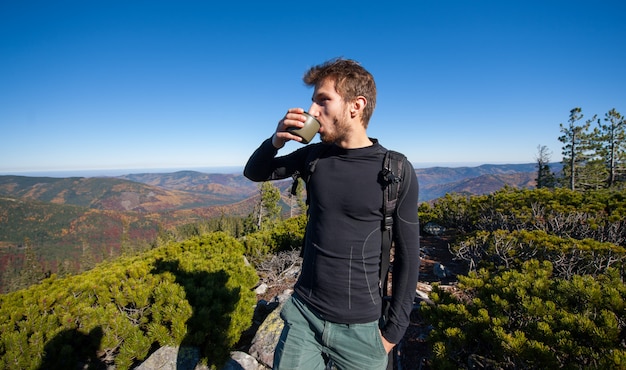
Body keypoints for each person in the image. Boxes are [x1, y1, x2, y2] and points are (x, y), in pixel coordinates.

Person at [244, 58, 420, 370]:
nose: (312, 111)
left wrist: (391, 334)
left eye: (323, 100)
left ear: (356, 106)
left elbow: (408, 257)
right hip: (303, 317)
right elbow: (256, 172)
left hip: (363, 331)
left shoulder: (395, 171)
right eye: (313, 102)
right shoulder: (315, 156)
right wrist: (275, 141)